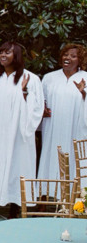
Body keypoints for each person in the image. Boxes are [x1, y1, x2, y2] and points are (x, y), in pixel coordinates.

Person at [0, 42, 44, 217]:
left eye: (8, 53)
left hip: (17, 131)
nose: (2, 56)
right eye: (1, 52)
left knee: (16, 165)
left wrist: (25, 93)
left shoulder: (31, 79)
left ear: (17, 56)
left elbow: (37, 108)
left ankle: (14, 204)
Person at [38, 43, 87, 181]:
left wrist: (83, 93)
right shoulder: (49, 78)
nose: (68, 58)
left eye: (73, 56)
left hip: (75, 127)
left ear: (80, 60)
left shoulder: (85, 77)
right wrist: (43, 109)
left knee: (74, 157)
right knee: (51, 155)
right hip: (53, 126)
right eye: (65, 55)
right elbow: (41, 100)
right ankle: (48, 193)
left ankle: (73, 195)